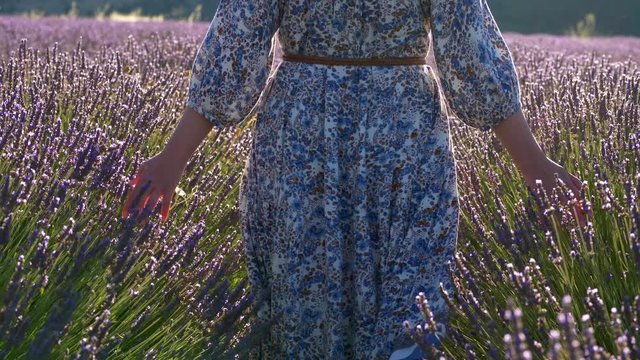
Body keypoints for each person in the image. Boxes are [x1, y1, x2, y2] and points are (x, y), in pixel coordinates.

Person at [121, 0, 590, 359]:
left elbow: (234, 48)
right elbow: (472, 56)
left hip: (310, 133)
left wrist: (536, 167)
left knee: (348, 308)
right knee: (392, 303)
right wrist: (171, 159)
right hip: (395, 135)